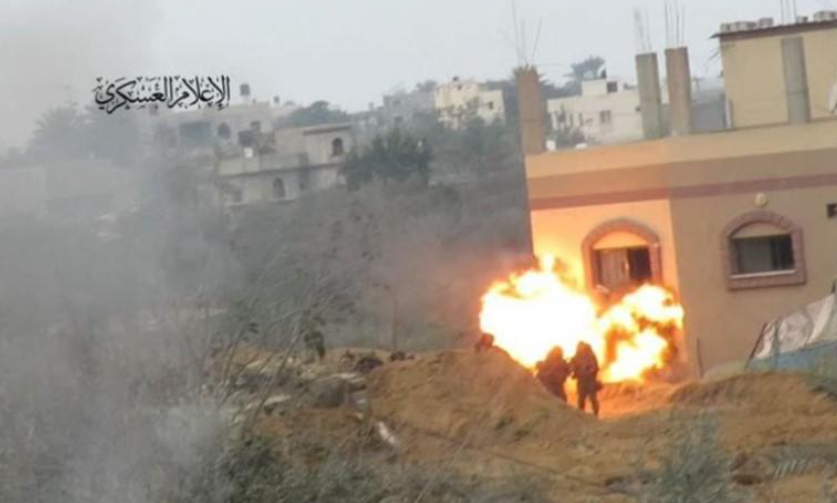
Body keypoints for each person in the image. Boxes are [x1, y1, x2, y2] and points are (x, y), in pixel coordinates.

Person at [571, 342, 601, 417]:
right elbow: (572, 368)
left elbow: (595, 366)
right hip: (581, 381)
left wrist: (589, 370)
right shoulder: (576, 357)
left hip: (590, 380)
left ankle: (595, 414)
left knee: (592, 398)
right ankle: (581, 415)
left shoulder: (590, 356)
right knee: (581, 399)